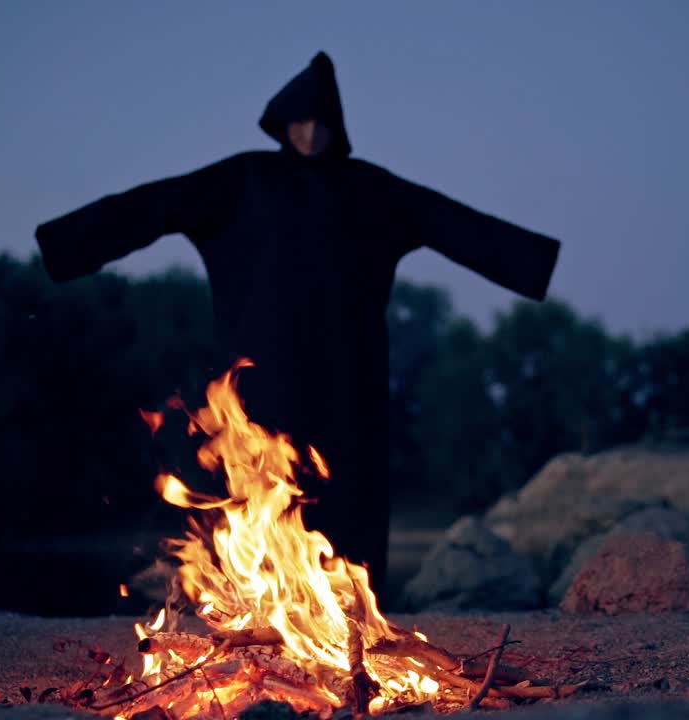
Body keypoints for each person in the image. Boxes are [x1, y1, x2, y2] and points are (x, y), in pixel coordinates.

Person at [35, 51, 560, 595]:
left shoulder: (371, 191)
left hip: (348, 384)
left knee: (347, 503)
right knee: (260, 498)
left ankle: (353, 617)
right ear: (282, 124)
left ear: (337, 129)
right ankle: (257, 611)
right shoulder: (245, 180)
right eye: (300, 122)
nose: (310, 134)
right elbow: (156, 205)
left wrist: (534, 263)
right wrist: (68, 244)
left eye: (320, 123)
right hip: (260, 382)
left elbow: (454, 224)